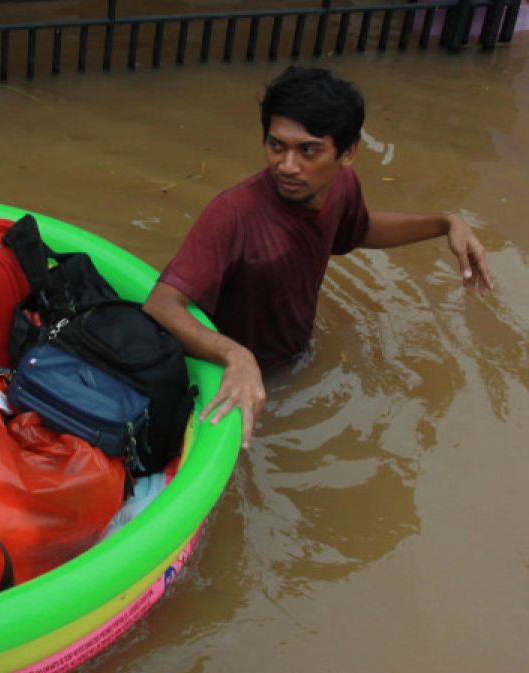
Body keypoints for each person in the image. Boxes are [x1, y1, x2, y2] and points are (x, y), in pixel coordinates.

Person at [142, 66, 494, 448]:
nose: (287, 166)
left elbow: (357, 230)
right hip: (233, 380)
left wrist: (445, 223)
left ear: (348, 152)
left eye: (308, 150)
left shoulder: (343, 185)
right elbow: (160, 305)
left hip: (294, 360)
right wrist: (235, 355)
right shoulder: (232, 214)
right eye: (277, 145)